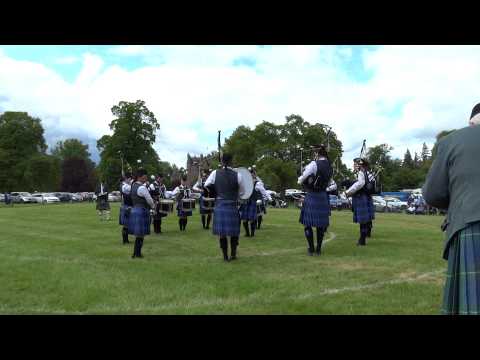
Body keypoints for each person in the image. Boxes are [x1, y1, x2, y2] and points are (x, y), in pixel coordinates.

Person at [423, 103, 480, 315]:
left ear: (471, 121)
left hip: (471, 225)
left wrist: (459, 201)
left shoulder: (453, 140)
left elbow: (432, 194)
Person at [205, 153, 247, 262]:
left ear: (222, 161)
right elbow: (242, 193)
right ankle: (233, 254)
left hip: (220, 205)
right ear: (231, 161)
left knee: (222, 234)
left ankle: (225, 257)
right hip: (232, 206)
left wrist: (215, 193)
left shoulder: (215, 173)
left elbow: (206, 185)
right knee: (234, 232)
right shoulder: (238, 175)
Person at [297, 144, 333, 256]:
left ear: (317, 153)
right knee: (320, 225)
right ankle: (318, 249)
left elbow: (302, 178)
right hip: (322, 195)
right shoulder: (330, 166)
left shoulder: (314, 164)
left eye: (314, 153)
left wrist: (300, 180)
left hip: (312, 195)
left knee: (307, 224)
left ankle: (311, 249)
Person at [345, 158, 375, 245]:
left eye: (355, 164)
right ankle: (363, 239)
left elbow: (360, 184)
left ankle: (362, 240)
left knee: (363, 221)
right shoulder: (367, 173)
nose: (353, 166)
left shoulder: (361, 172)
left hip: (361, 197)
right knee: (365, 220)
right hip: (366, 197)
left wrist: (348, 192)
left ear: (359, 165)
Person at [128, 168, 155, 258]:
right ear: (140, 177)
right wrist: (153, 206)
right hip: (141, 211)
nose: (146, 178)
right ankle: (137, 254)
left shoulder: (133, 185)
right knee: (141, 235)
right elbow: (149, 200)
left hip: (134, 210)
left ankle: (135, 253)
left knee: (138, 235)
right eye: (145, 177)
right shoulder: (142, 188)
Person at [119, 172, 133, 244]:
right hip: (126, 206)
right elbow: (131, 189)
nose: (131, 181)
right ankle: (125, 240)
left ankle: (126, 239)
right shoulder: (124, 186)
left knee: (127, 224)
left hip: (127, 206)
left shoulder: (126, 185)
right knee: (125, 224)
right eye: (130, 179)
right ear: (126, 179)